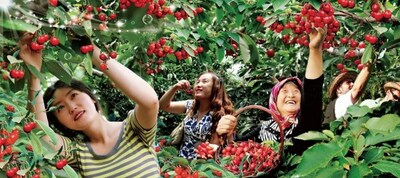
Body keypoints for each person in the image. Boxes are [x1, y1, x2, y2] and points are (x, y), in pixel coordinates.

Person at [19, 32, 160, 177]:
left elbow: (150, 101)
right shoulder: (78, 153)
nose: (72, 107)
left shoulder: (133, 130)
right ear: (59, 122)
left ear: (92, 98)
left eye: (74, 96)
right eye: (60, 107)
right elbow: (42, 137)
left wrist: (92, 50)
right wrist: (34, 75)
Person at [216, 26, 327, 155]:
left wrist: (315, 49)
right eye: (284, 91)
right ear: (274, 100)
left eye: (296, 91)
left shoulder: (307, 123)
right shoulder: (263, 129)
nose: (291, 95)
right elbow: (236, 150)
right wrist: (226, 132)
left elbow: (312, 93)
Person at [159, 72, 234, 159]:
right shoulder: (191, 105)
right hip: (181, 163)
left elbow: (215, 147)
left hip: (204, 166)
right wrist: (175, 88)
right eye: (197, 82)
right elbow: (163, 106)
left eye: (205, 81)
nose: (199, 85)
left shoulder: (219, 114)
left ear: (215, 88)